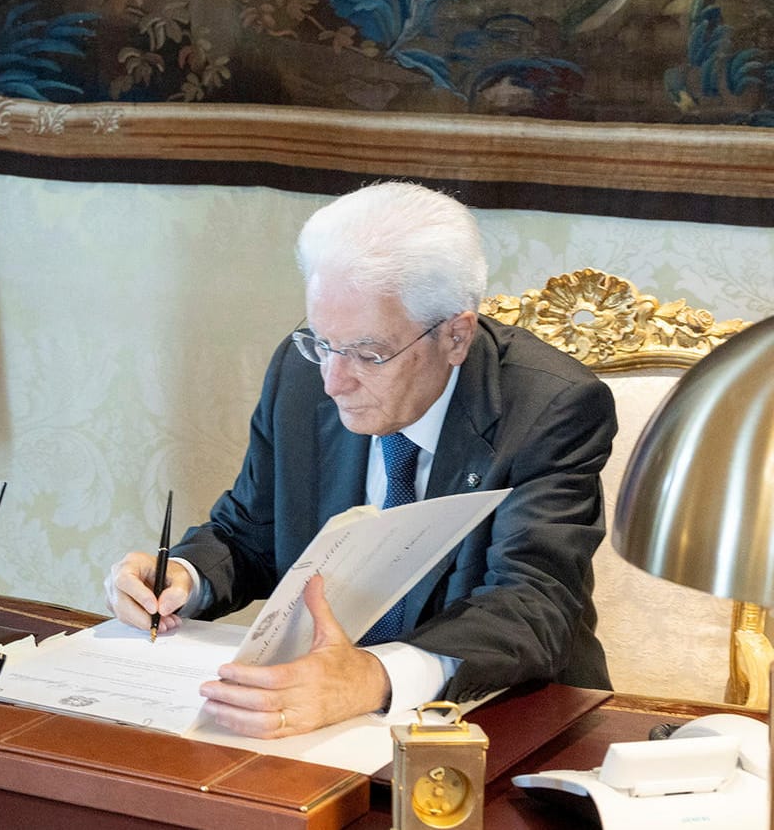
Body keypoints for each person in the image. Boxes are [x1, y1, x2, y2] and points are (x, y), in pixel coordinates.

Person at [107, 182, 615, 738]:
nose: (333, 380)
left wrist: (371, 678)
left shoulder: (551, 408)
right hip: (328, 721)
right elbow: (251, 532)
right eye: (323, 342)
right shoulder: (300, 373)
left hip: (501, 716)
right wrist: (182, 575)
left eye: (369, 354)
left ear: (455, 336)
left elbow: (532, 604)